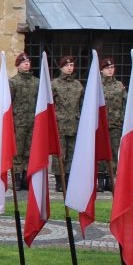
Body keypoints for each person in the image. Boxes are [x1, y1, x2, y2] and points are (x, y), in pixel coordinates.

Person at [51, 56, 83, 191]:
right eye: (67, 65)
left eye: (71, 65)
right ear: (61, 67)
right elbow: (50, 104)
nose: (70, 68)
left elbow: (81, 104)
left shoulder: (78, 85)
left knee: (72, 153)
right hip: (59, 124)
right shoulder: (55, 84)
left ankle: (69, 178)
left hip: (74, 124)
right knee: (59, 153)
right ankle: (59, 180)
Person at [8, 52, 39, 191]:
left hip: (32, 122)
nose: (26, 64)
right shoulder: (13, 82)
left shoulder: (36, 82)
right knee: (17, 152)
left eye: (28, 62)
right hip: (18, 122)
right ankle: (17, 178)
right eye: (23, 62)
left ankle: (27, 177)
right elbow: (8, 103)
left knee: (29, 151)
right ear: (18, 65)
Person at [99, 57, 126, 193]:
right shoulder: (97, 86)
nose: (110, 70)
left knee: (114, 153)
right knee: (100, 152)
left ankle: (110, 180)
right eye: (107, 68)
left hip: (116, 123)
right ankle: (100, 180)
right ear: (101, 70)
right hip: (100, 125)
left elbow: (125, 103)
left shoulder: (119, 86)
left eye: (112, 68)